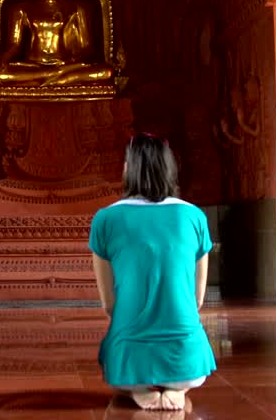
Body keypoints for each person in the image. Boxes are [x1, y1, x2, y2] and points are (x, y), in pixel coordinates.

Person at [90, 133, 216, 411]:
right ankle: (177, 387)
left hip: (126, 367)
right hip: (190, 365)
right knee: (191, 359)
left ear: (130, 169)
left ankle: (142, 387)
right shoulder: (195, 216)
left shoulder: (105, 219)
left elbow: (109, 304)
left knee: (114, 354)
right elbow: (197, 300)